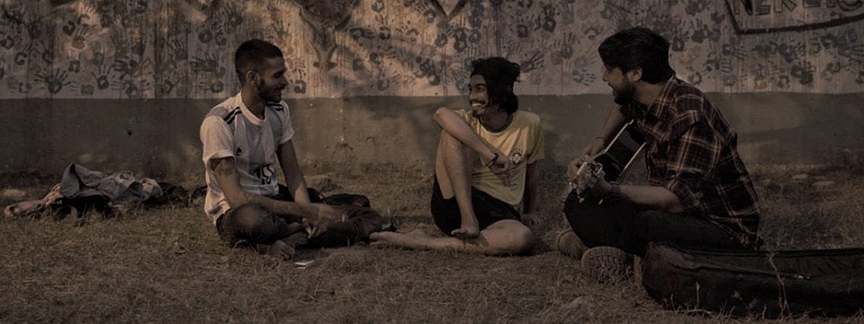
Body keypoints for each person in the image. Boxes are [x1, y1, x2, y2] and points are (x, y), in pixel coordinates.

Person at [560, 26, 761, 282]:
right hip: (677, 214)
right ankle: (624, 253)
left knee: (648, 223)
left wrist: (609, 190)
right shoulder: (649, 95)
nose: (603, 76)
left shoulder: (690, 116)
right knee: (578, 203)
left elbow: (673, 200)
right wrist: (601, 141)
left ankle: (623, 258)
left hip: (723, 229)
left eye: (610, 70)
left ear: (635, 73)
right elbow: (623, 107)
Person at [201, 39, 382, 259]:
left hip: (276, 203)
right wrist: (305, 210)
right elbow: (237, 199)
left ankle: (293, 236)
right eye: (277, 76)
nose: (284, 82)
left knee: (367, 213)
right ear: (253, 78)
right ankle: (279, 239)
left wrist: (308, 214)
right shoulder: (219, 122)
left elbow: (293, 173)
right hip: (238, 214)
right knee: (253, 220)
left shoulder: (279, 111)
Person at [371, 57, 543, 254]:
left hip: (500, 212)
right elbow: (441, 113)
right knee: (453, 132)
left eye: (480, 89)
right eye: (470, 89)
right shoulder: (465, 120)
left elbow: (531, 176)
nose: (472, 96)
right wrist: (491, 156)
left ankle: (422, 242)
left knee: (522, 238)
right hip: (456, 204)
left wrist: (529, 211)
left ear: (503, 91)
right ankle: (469, 219)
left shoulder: (530, 124)